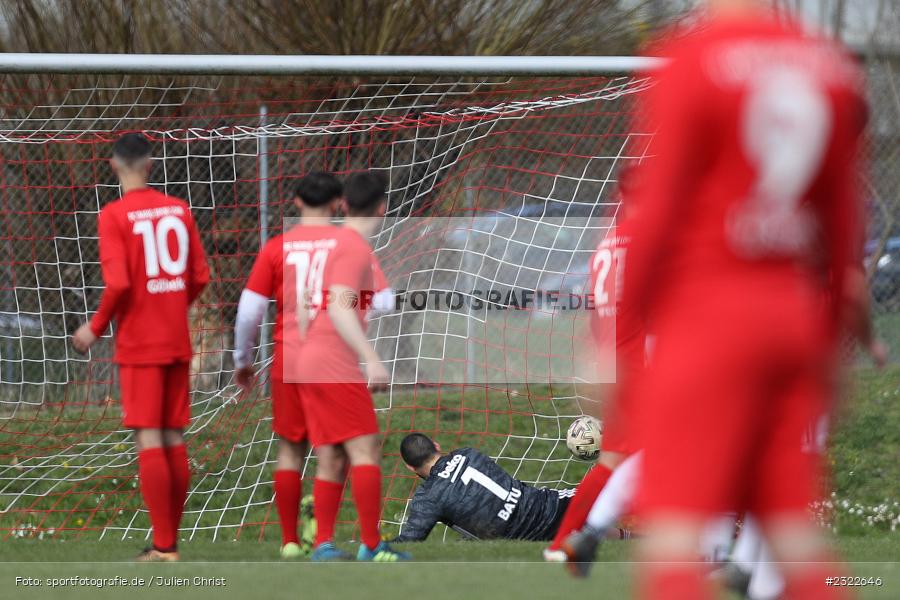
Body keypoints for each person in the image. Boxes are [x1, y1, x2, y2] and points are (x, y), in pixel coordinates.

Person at [572, 1, 869, 598]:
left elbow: (654, 218)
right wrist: (836, 342)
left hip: (712, 319)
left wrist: (609, 347)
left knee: (677, 534)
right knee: (795, 537)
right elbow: (843, 228)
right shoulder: (828, 67)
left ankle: (603, 535)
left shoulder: (693, 60)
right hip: (791, 319)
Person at [71, 132, 210, 561]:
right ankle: (168, 541)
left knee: (149, 438)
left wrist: (94, 328)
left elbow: (119, 283)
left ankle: (165, 547)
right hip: (175, 338)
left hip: (139, 342)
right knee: (173, 436)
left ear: (114, 166)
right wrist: (171, 304)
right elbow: (200, 276)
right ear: (150, 165)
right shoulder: (179, 209)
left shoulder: (113, 215)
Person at [294, 171, 409, 562]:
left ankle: (324, 544)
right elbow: (349, 306)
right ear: (383, 208)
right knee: (365, 449)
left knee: (332, 455)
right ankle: (373, 546)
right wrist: (371, 358)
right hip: (333, 359)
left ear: (343, 204)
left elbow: (305, 296)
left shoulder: (326, 243)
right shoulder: (354, 246)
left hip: (309, 357)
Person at [232, 172, 345, 559]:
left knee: (290, 449)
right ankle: (325, 540)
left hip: (290, 355)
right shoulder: (347, 244)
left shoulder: (277, 247)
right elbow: (380, 300)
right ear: (338, 204)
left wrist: (242, 359)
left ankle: (289, 542)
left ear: (296, 202)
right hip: (332, 358)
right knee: (331, 450)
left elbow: (249, 312)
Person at [544, 164, 646, 562]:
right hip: (637, 364)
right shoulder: (645, 240)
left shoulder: (607, 244)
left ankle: (565, 542)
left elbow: (595, 312)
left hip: (609, 361)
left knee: (617, 458)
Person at [394, 433, 615, 542]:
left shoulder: (428, 496)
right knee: (607, 492)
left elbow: (410, 541)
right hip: (547, 508)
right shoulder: (468, 453)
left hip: (522, 540)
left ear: (410, 467)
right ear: (436, 445)